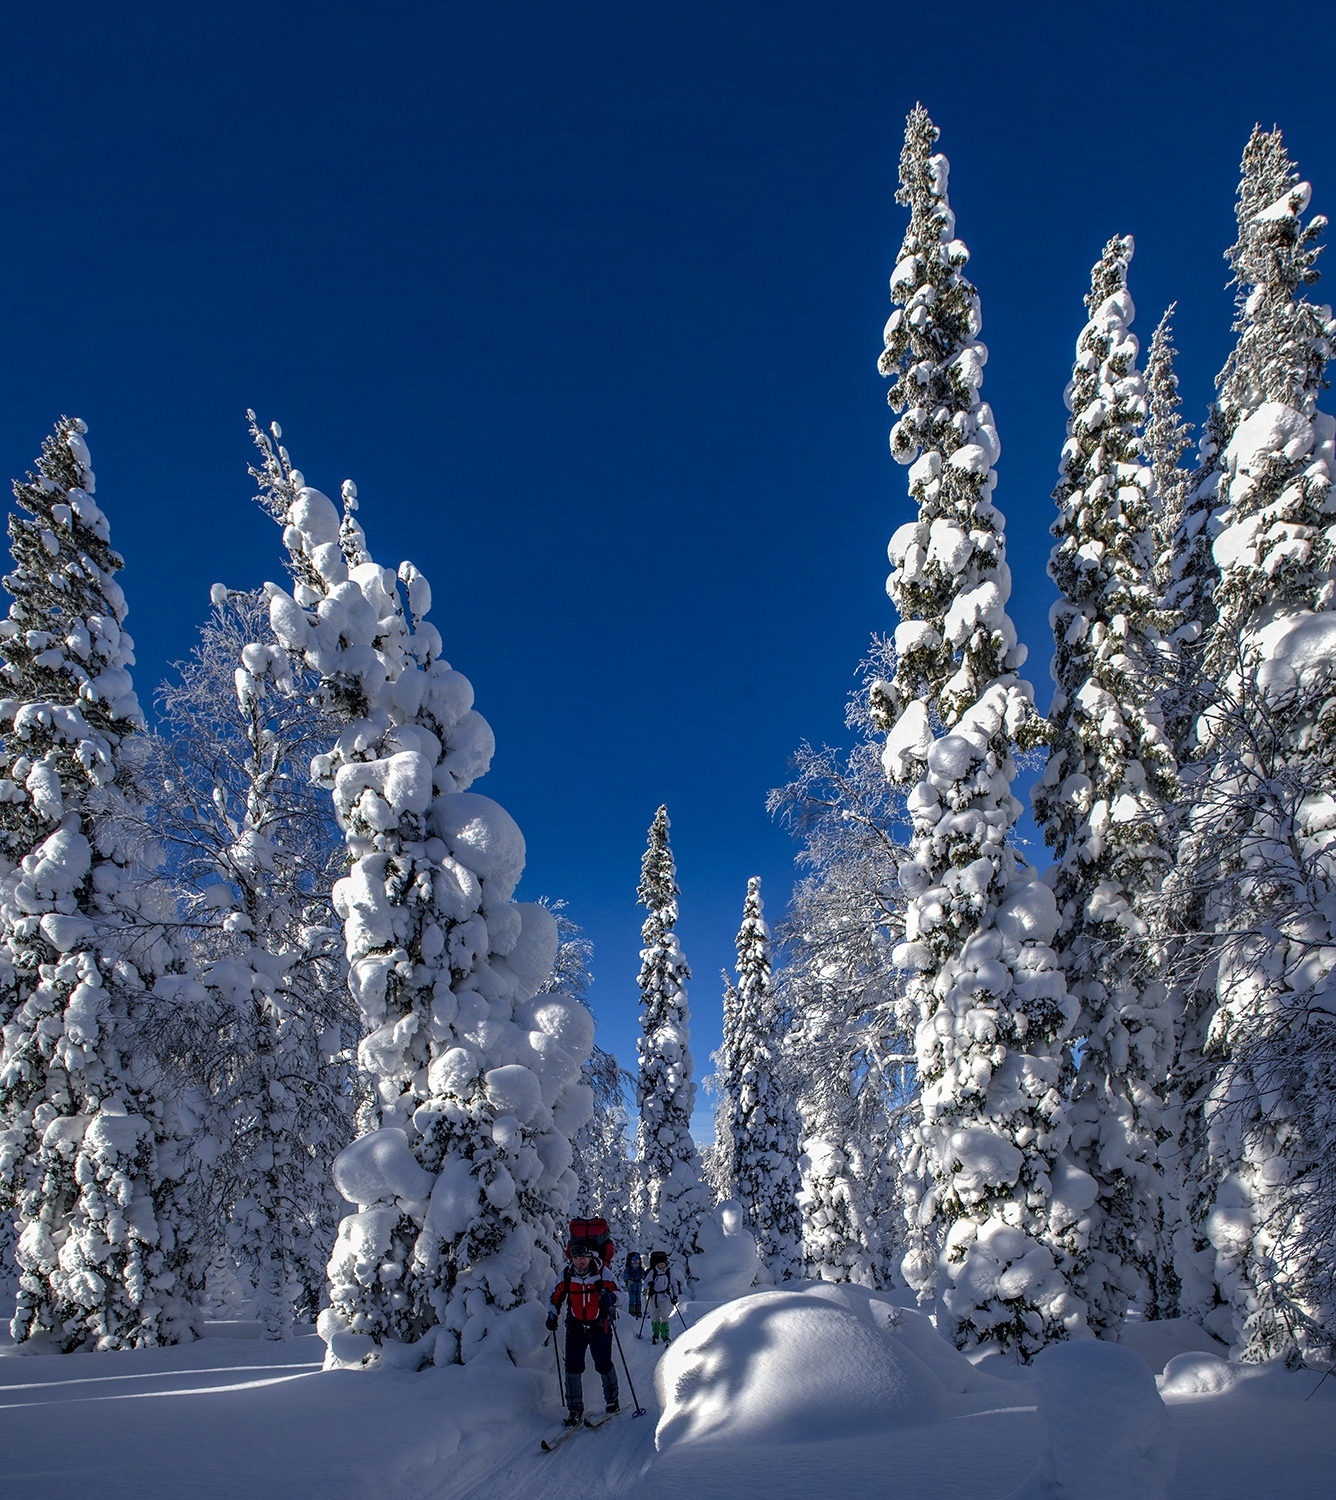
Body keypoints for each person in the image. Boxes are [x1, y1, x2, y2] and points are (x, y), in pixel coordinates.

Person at [547, 1239, 620, 1425]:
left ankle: (612, 1401)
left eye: (583, 1258)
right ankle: (574, 1410)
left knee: (603, 1364)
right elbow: (555, 1296)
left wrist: (610, 1298)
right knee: (573, 1367)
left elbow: (621, 1296)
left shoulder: (603, 1273)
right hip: (575, 1327)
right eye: (575, 1257)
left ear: (590, 1257)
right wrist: (552, 1315)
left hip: (599, 1325)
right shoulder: (566, 1274)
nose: (579, 1261)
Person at [645, 1249, 679, 1346]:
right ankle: (655, 1334)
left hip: (665, 1297)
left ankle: (665, 1335)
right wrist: (649, 1285)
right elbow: (645, 1284)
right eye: (659, 1264)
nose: (661, 1266)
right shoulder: (652, 1272)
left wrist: (675, 1295)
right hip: (654, 1297)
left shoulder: (668, 1272)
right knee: (655, 1316)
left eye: (662, 1264)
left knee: (664, 1315)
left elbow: (674, 1284)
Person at [623, 1251, 645, 1321]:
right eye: (634, 1262)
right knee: (632, 1298)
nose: (635, 1264)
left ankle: (638, 1311)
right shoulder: (628, 1269)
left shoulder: (640, 1269)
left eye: (637, 1262)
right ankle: (631, 1312)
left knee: (638, 1298)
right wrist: (627, 1280)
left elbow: (644, 1275)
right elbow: (625, 1276)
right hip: (631, 1285)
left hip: (638, 1284)